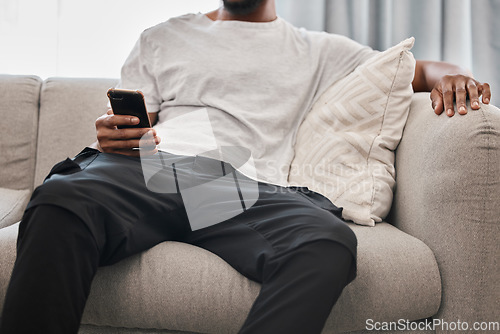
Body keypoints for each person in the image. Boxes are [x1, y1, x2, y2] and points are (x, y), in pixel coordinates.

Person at [0, 0, 492, 333]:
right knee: (63, 199)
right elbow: (132, 121)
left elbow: (419, 69)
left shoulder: (318, 50)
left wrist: (454, 77)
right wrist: (115, 133)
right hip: (148, 167)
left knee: (325, 241)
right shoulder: (163, 37)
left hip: (232, 186)